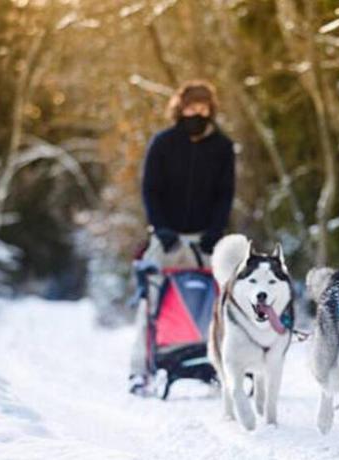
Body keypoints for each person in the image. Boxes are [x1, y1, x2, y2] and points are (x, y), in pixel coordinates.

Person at [128, 80, 235, 394]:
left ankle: (221, 366)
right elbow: (150, 190)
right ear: (180, 108)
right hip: (167, 239)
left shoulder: (222, 147)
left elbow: (225, 194)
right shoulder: (162, 143)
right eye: (190, 108)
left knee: (218, 305)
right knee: (151, 303)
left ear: (210, 110)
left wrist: (215, 231)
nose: (196, 113)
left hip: (207, 240)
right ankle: (140, 371)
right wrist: (161, 228)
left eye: (202, 108)